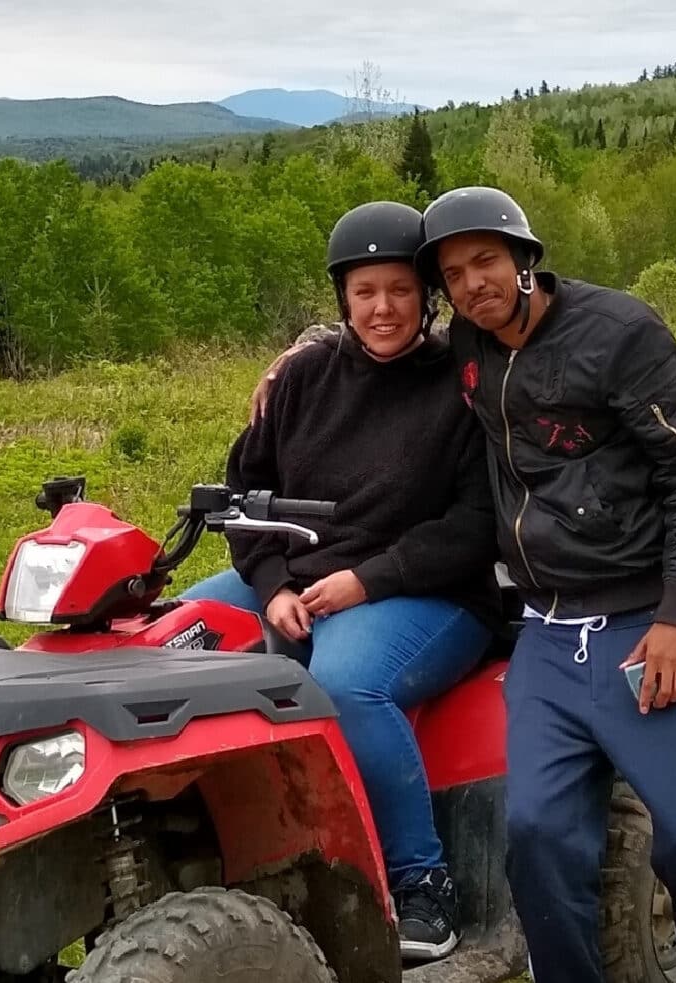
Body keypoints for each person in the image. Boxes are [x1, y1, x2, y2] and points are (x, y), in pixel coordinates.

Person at [253, 187, 676, 983]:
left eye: (486, 261)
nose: (472, 283)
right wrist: (305, 348)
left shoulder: (620, 333)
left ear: (526, 258)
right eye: (453, 273)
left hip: (645, 620)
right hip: (551, 631)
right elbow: (377, 334)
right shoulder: (469, 350)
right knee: (537, 839)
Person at [179, 200, 501, 961]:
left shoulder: (461, 382)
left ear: (426, 295)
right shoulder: (304, 377)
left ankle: (424, 882)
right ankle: (215, 852)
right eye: (365, 292)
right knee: (180, 636)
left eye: (399, 289)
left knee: (348, 680)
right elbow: (244, 495)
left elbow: (473, 524)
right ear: (342, 300)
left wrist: (366, 580)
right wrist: (271, 586)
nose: (383, 307)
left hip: (430, 590)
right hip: (299, 580)